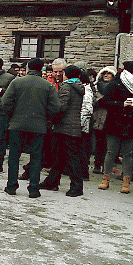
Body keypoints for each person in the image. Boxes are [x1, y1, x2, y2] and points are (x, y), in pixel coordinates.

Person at [2, 58, 60, 198]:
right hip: (39, 126)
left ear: (28, 68)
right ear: (42, 70)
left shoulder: (17, 82)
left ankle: (11, 186)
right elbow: (56, 107)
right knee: (36, 157)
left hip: (17, 124)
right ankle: (34, 188)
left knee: (14, 156)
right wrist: (46, 117)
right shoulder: (48, 86)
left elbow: (5, 102)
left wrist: (12, 115)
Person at [39, 65, 85, 197]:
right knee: (59, 156)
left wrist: (52, 116)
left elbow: (61, 107)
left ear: (67, 74)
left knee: (70, 157)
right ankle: (52, 181)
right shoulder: (79, 87)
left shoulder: (66, 86)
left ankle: (76, 187)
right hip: (73, 126)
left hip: (64, 127)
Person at [97, 61, 133, 194]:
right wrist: (121, 104)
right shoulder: (115, 83)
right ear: (131, 71)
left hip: (131, 124)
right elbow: (105, 102)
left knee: (128, 154)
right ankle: (105, 179)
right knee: (111, 152)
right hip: (115, 123)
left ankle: (126, 182)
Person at [93, 66, 117, 174]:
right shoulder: (96, 87)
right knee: (99, 142)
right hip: (98, 117)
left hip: (110, 117)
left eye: (109, 74)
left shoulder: (116, 88)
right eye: (104, 73)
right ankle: (97, 164)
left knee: (109, 144)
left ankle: (106, 166)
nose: (106, 75)